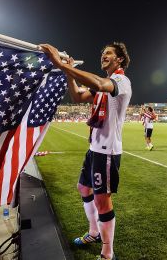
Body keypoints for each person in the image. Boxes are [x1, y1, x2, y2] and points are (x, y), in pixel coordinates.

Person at [41, 42, 131, 260]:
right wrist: (69, 73)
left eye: (108, 53)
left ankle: (107, 254)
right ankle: (94, 232)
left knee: (102, 201)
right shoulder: (105, 85)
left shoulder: (121, 81)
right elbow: (77, 97)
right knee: (83, 188)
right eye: (102, 53)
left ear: (119, 59)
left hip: (107, 152)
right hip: (94, 148)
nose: (103, 56)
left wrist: (61, 66)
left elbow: (100, 84)